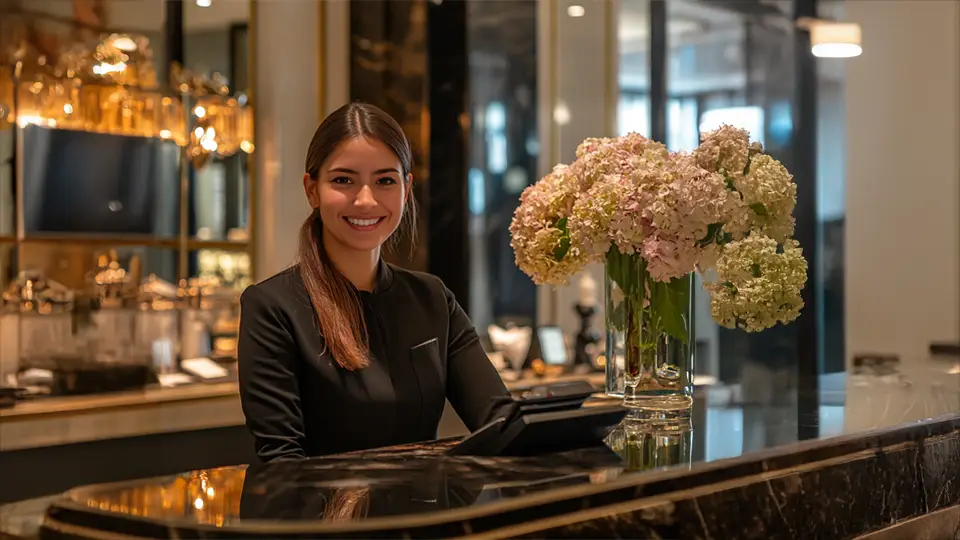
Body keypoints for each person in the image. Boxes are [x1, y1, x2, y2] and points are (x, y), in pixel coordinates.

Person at [237, 102, 514, 463]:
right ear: (312, 189)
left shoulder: (432, 297)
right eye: (343, 180)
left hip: (423, 501)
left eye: (385, 181)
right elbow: (282, 463)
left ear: (406, 189)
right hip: (323, 502)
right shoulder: (272, 307)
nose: (365, 200)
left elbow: (500, 421)